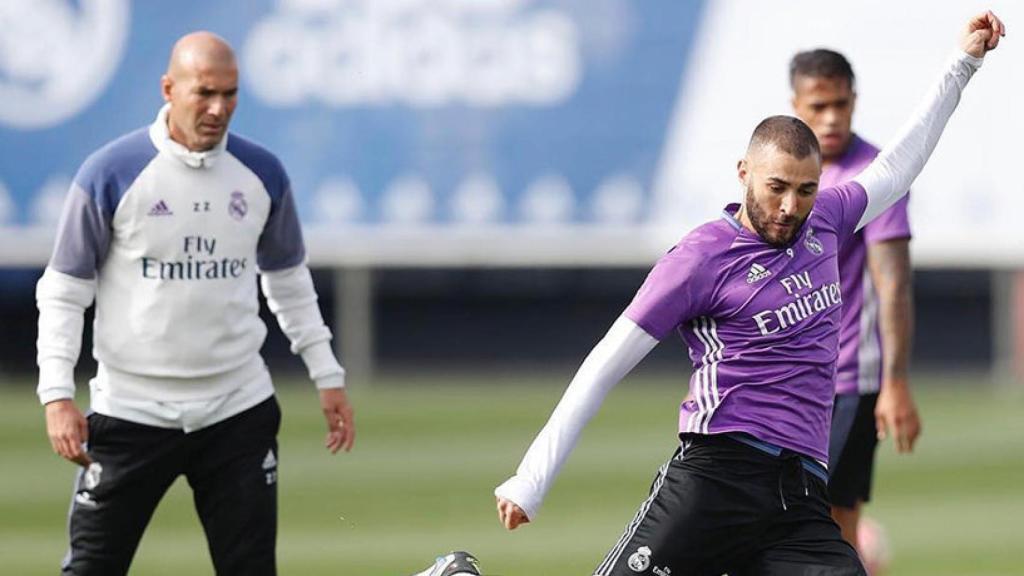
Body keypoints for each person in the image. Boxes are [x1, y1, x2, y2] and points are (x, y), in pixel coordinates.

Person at [494, 11, 1003, 576]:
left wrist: (964, 63)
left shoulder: (828, 220)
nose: (791, 206)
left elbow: (900, 165)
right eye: (777, 187)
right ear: (743, 173)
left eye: (806, 190)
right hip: (715, 480)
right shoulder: (699, 259)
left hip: (800, 495)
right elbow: (604, 365)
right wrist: (532, 478)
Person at [36, 31, 356, 575]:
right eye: (204, 92)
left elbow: (288, 279)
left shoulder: (262, 174)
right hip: (130, 411)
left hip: (236, 409)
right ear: (168, 88)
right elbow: (65, 288)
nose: (218, 109)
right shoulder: (111, 172)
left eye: (230, 94)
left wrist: (326, 372)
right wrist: (56, 394)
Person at [789, 48, 921, 556]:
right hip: (787, 378)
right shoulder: (784, 175)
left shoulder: (875, 174)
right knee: (782, 518)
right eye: (819, 106)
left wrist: (895, 382)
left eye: (840, 104)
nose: (832, 117)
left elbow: (893, 285)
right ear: (796, 104)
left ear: (854, 101)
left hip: (848, 379)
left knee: (830, 518)